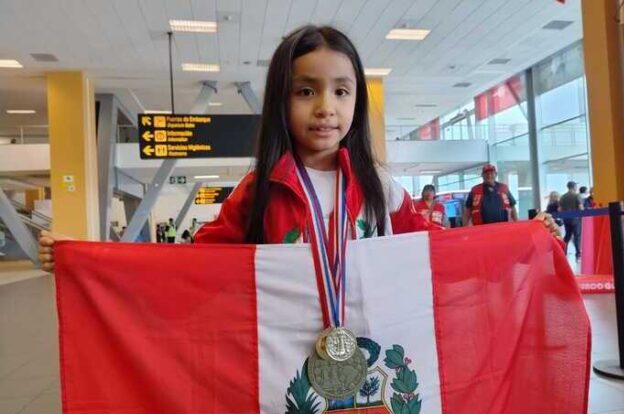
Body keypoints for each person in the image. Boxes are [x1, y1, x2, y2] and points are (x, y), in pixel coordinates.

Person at [37, 26, 560, 269]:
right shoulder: (259, 190)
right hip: (285, 356)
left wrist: (527, 238)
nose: (325, 107)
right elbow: (192, 266)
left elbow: (441, 249)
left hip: (374, 347)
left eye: (341, 90)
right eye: (305, 91)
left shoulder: (380, 187)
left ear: (356, 100)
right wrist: (90, 260)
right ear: (280, 99)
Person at [559, 181, 583, 261]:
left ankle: (563, 251)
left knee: (567, 235)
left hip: (566, 219)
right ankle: (578, 253)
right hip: (575, 219)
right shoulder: (577, 196)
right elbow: (580, 208)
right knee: (577, 236)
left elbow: (560, 209)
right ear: (574, 187)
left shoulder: (563, 197)